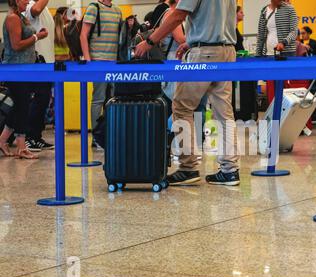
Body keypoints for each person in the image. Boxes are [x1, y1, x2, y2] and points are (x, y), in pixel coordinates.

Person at [135, 0, 240, 186]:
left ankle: (188, 167)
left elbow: (178, 15)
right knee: (224, 112)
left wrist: (150, 41)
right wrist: (192, 41)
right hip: (227, 51)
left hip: (203, 54)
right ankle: (230, 170)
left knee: (182, 107)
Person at [0, 0, 48, 159]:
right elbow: (16, 45)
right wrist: (36, 37)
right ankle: (21, 146)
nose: (28, 1)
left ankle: (3, 140)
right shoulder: (12, 18)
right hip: (15, 69)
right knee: (23, 105)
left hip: (25, 69)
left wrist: (37, 34)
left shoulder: (21, 17)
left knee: (22, 104)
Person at [80, 0, 122, 149]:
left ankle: (108, 134)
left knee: (113, 99)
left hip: (114, 62)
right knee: (98, 99)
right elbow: (83, 35)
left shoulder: (117, 11)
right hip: (97, 61)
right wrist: (88, 61)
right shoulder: (93, 8)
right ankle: (96, 137)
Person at [22, 0, 55, 152]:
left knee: (44, 99)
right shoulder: (29, 6)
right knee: (39, 99)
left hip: (47, 62)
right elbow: (36, 9)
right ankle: (29, 136)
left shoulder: (44, 9)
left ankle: (36, 136)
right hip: (37, 62)